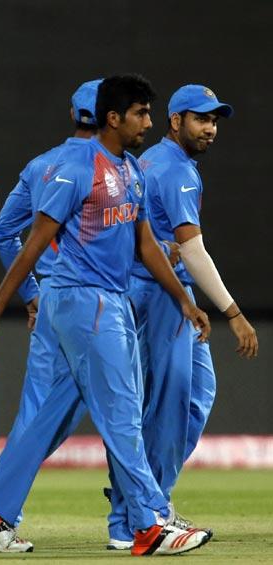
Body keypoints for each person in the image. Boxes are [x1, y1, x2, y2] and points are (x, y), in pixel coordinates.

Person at [0, 75, 213, 556]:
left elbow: (144, 243)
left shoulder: (131, 168)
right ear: (113, 118)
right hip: (85, 301)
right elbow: (32, 243)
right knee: (122, 415)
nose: (148, 122)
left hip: (93, 303)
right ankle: (149, 524)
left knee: (51, 416)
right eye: (140, 113)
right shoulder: (74, 165)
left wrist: (182, 298)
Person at [105, 84, 258, 548]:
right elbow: (191, 249)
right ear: (176, 121)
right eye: (200, 118)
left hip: (161, 292)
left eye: (214, 120)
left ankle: (146, 500)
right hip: (159, 294)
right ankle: (137, 515)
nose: (210, 128)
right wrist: (233, 312)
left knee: (193, 397)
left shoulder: (161, 162)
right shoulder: (174, 169)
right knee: (168, 405)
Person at [0, 79, 101, 453]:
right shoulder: (119, 168)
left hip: (53, 296)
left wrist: (32, 294)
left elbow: (4, 232)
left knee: (37, 406)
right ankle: (137, 507)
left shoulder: (40, 166)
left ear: (73, 114)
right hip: (102, 299)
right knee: (121, 407)